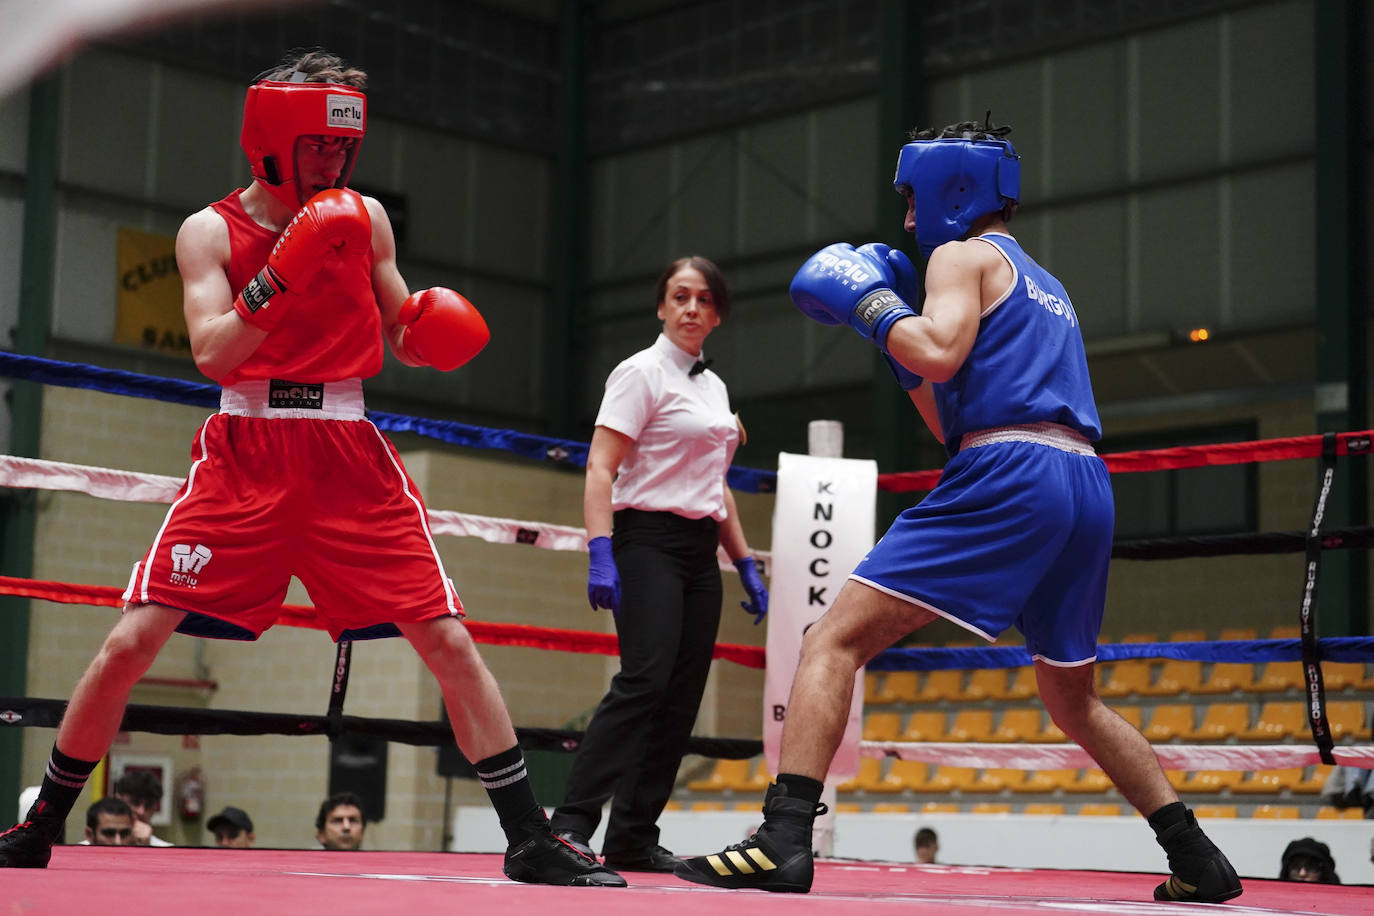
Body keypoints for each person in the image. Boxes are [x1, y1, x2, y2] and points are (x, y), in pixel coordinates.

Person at [0, 48, 622, 889]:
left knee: (444, 637)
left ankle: (528, 836)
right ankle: (42, 823)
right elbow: (215, 352)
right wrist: (285, 269)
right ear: (272, 137)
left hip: (346, 451)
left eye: (343, 146)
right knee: (130, 642)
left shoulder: (364, 217)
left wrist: (428, 331)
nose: (334, 161)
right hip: (246, 448)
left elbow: (401, 323)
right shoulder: (209, 231)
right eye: (319, 145)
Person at [675, 117, 1243, 905]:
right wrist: (892, 336)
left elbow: (938, 354)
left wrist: (871, 304)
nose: (908, 220)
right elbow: (950, 416)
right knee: (1072, 698)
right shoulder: (1047, 285)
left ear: (954, 190)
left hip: (1010, 471)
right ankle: (1196, 855)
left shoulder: (958, 254)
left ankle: (783, 839)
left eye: (913, 198)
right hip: (1083, 482)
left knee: (830, 641)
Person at [547, 255, 768, 873]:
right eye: (679, 296)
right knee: (643, 680)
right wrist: (600, 550)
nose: (691, 308)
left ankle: (633, 836)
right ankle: (568, 827)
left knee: (680, 696)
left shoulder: (714, 388)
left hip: (700, 552)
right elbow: (600, 467)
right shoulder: (639, 372)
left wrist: (744, 561)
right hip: (645, 540)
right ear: (662, 306)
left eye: (703, 299)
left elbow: (714, 485)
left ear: (717, 313)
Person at [112, 769, 173, 846]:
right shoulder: (94, 844)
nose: (141, 811)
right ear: (118, 800)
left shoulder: (166, 850)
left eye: (148, 805)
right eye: (135, 802)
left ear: (155, 808)